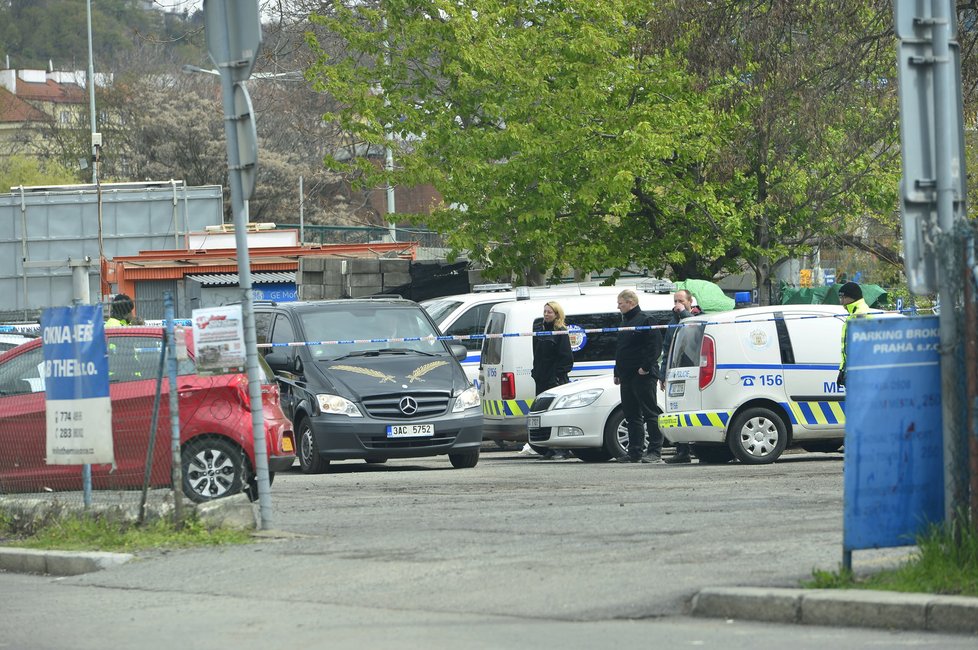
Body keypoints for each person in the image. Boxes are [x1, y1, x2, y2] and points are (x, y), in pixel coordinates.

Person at [614, 289, 664, 463]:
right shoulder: (624, 322)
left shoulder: (646, 320)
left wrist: (645, 367)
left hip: (643, 375)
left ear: (631, 303)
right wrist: (617, 371)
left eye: (621, 303)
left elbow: (655, 346)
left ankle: (655, 451)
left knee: (650, 413)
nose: (618, 306)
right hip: (626, 375)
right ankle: (634, 451)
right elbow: (621, 350)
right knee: (631, 415)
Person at [659, 289, 701, 464]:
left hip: (695, 372)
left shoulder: (698, 317)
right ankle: (682, 451)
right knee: (678, 412)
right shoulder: (672, 323)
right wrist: (662, 374)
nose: (677, 304)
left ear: (690, 302)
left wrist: (683, 314)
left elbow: (695, 335)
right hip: (677, 373)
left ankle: (700, 448)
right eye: (675, 300)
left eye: (681, 301)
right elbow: (667, 350)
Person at [531, 301, 574, 460]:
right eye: (545, 311)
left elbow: (567, 359)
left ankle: (562, 449)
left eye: (549, 312)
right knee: (543, 415)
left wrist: (557, 376)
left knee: (558, 415)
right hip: (541, 380)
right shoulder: (540, 331)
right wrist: (536, 373)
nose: (546, 314)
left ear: (557, 314)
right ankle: (548, 448)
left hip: (555, 382)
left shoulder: (561, 332)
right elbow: (536, 356)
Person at [837, 281, 871, 387]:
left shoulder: (861, 315)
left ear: (853, 298)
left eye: (844, 298)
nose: (841, 302)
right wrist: (842, 369)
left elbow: (862, 349)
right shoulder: (854, 314)